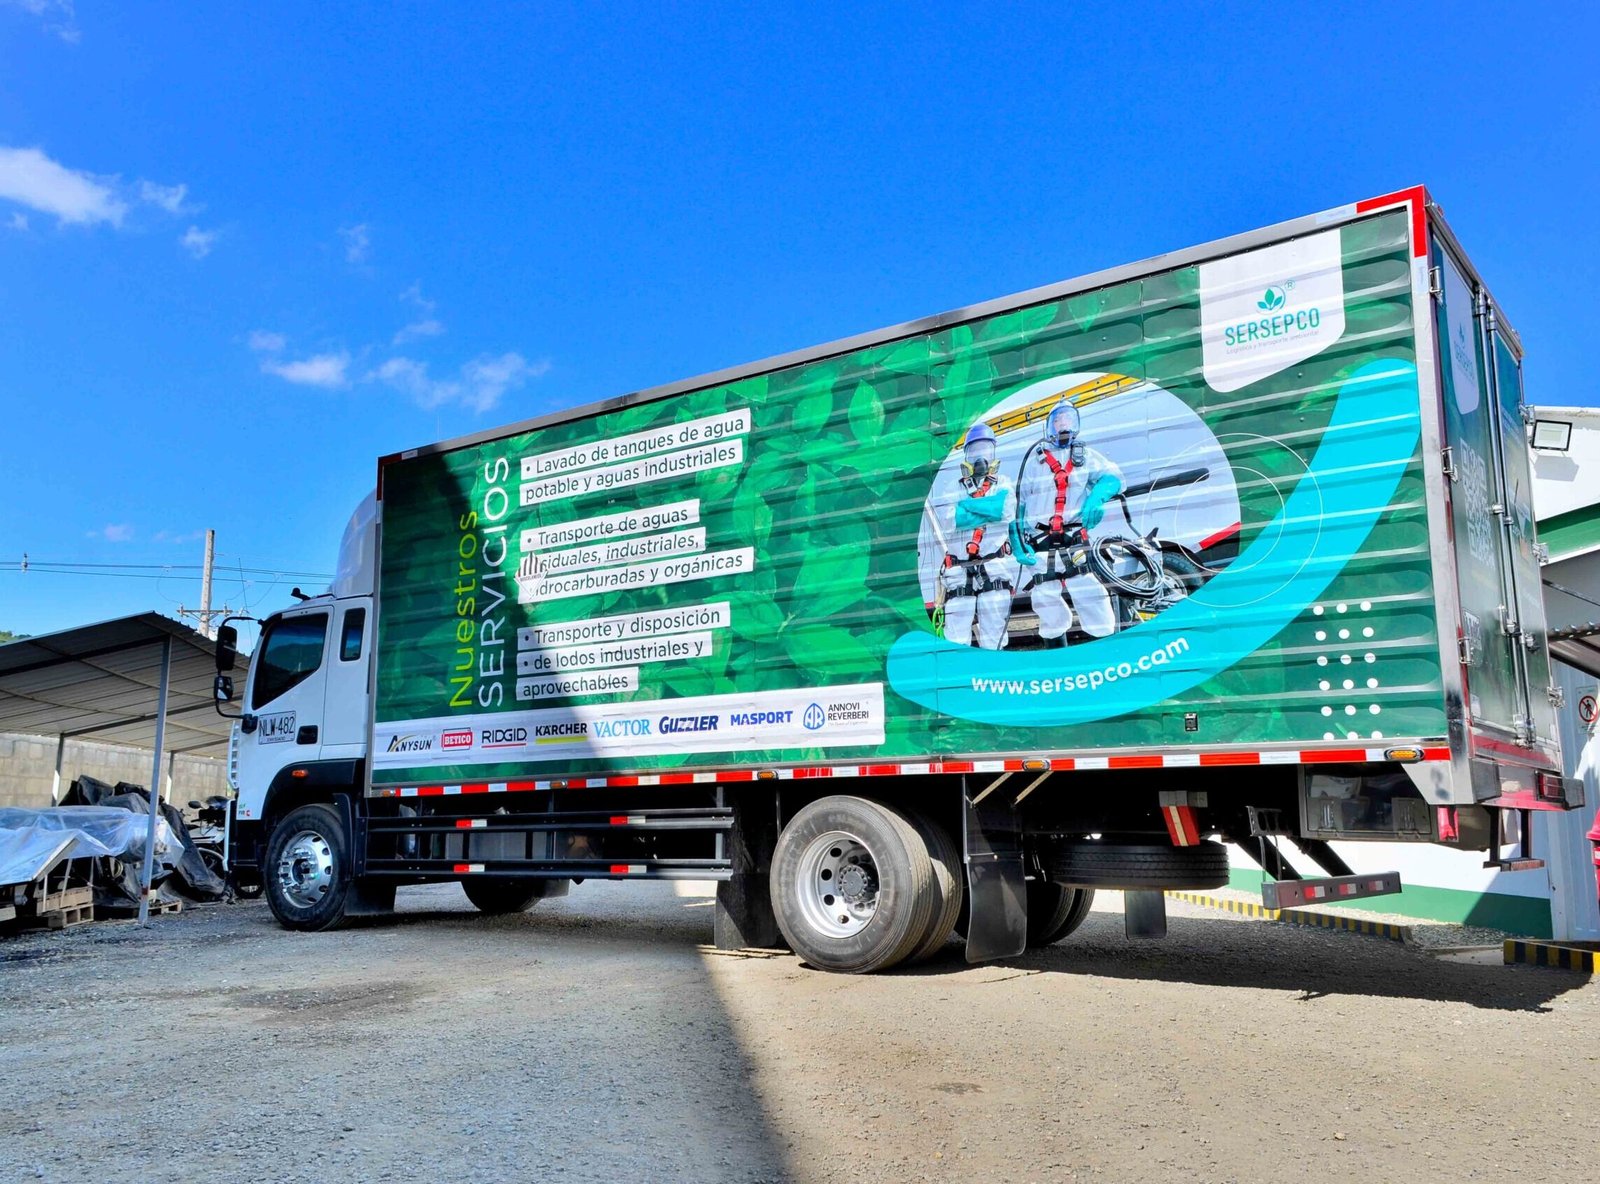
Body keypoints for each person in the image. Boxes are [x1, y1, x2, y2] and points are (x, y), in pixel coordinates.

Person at [1016, 400, 1124, 644]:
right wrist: (1017, 541)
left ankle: (1106, 655)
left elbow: (1113, 477)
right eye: (1058, 420)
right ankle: (1057, 656)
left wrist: (1097, 497)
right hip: (1040, 542)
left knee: (1092, 596)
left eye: (1068, 419)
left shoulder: (1085, 457)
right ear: (1049, 426)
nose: (1063, 424)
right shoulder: (1034, 463)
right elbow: (1019, 504)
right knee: (1046, 602)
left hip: (1074, 540)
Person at [935, 422, 1018, 649]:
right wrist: (988, 510)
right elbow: (951, 520)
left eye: (985, 451)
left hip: (993, 567)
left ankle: (993, 670)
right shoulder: (953, 487)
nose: (980, 458)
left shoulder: (1003, 483)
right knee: (956, 636)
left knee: (994, 632)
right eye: (974, 452)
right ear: (967, 456)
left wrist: (966, 505)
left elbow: (1004, 510)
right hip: (959, 570)